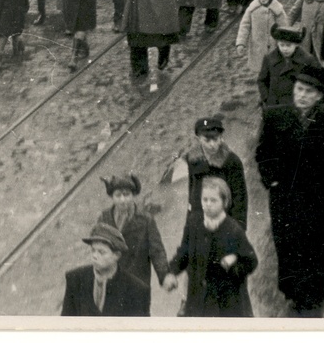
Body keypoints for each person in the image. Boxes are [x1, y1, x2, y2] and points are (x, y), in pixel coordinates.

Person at [255, 73, 324, 317]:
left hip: (320, 200)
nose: (301, 95)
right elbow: (263, 154)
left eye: (309, 92)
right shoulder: (274, 116)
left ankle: (315, 295)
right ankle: (293, 292)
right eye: (299, 89)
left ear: (319, 96)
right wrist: (272, 181)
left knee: (318, 248)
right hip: (285, 198)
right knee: (288, 245)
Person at [163, 176, 257, 317]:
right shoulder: (194, 223)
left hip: (226, 302)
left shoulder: (233, 229)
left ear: (224, 202)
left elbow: (251, 261)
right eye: (204, 199)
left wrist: (233, 263)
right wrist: (171, 271)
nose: (208, 204)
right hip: (198, 299)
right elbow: (184, 252)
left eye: (213, 200)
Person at [94, 174, 169, 301]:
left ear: (133, 196)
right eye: (118, 195)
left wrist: (165, 275)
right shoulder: (104, 219)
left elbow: (157, 251)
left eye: (126, 194)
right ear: (112, 197)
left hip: (138, 282)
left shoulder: (145, 220)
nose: (122, 200)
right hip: (111, 283)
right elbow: (97, 249)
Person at [61, 222, 150, 317]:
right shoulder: (75, 279)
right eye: (93, 250)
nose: (94, 256)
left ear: (117, 255)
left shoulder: (136, 290)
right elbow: (66, 324)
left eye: (101, 252)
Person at [183, 118, 248, 229]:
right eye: (207, 140)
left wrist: (238, 230)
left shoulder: (232, 162)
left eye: (216, 139)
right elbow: (192, 192)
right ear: (198, 139)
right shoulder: (193, 160)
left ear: (221, 137)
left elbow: (239, 198)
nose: (212, 144)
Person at [257, 25, 324, 109]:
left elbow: (317, 83)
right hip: (274, 104)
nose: (285, 49)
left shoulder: (307, 60)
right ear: (277, 43)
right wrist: (266, 98)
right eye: (282, 45)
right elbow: (262, 80)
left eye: (288, 45)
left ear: (296, 45)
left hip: (296, 105)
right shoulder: (269, 58)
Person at [235, 0, 288, 77]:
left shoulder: (277, 10)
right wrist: (241, 43)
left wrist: (284, 43)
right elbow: (244, 26)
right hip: (257, 46)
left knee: (274, 69)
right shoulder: (252, 9)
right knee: (260, 69)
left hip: (273, 46)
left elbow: (284, 27)